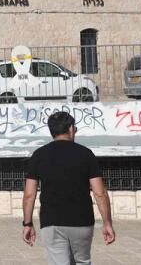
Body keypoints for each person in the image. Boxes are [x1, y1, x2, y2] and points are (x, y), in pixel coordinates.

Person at [22, 111, 115, 264]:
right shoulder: (86, 154)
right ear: (71, 129)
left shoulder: (39, 155)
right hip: (82, 221)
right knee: (83, 261)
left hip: (51, 222)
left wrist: (27, 223)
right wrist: (107, 223)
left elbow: (29, 195)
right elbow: (100, 193)